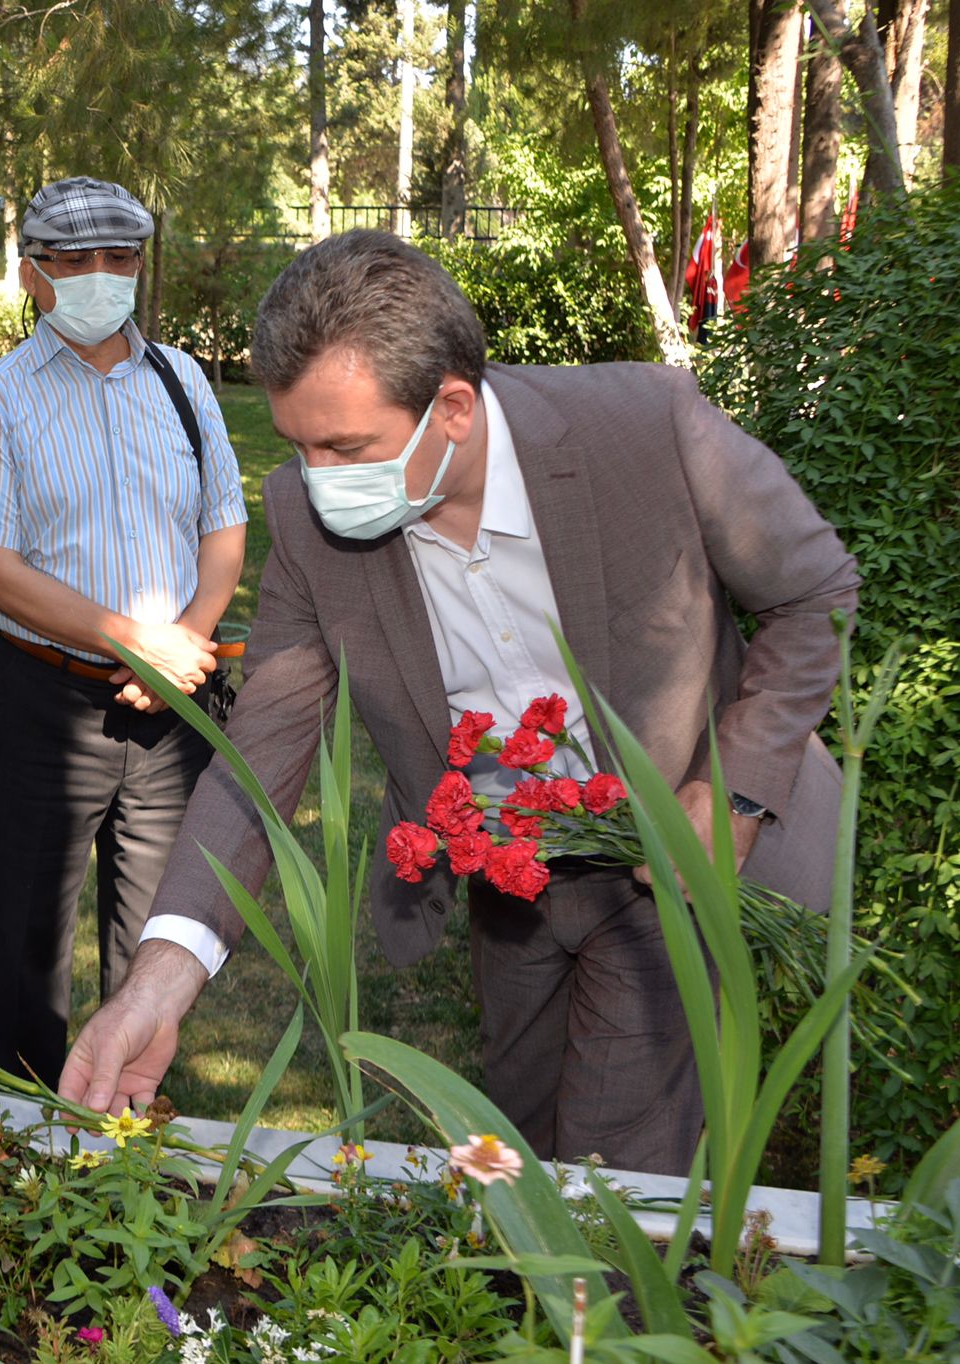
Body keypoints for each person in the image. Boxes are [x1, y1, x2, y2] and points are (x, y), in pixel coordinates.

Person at [59, 231, 858, 1176]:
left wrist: (733, 799)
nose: (316, 480)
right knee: (514, 1155)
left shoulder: (645, 428)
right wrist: (160, 978)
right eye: (299, 446)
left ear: (452, 408)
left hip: (667, 870)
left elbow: (814, 595)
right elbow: (262, 747)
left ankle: (607, 1318)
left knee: (613, 1174)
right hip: (510, 885)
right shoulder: (315, 520)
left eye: (344, 446)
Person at [0, 177, 248, 1086]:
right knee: (18, 943)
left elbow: (224, 526)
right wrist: (135, 642)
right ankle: (15, 1139)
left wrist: (184, 642)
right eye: (74, 261)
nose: (99, 277)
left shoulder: (183, 380)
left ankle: (125, 1152)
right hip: (41, 703)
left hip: (171, 700)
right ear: (31, 272)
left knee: (158, 943)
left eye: (119, 258)